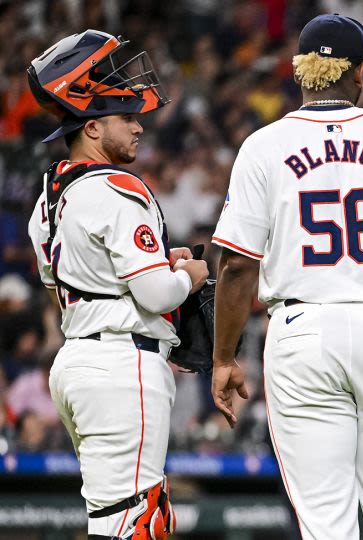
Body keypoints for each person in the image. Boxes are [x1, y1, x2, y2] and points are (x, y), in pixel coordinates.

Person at [209, 14, 363, 540]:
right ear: (359, 72)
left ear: (301, 70)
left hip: (302, 331)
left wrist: (224, 356)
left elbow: (236, 264)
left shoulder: (263, 145)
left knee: (327, 521)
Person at [25, 29, 208, 539]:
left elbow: (57, 281)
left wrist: (153, 269)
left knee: (112, 521)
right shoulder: (116, 186)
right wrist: (187, 276)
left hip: (76, 363)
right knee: (139, 523)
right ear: (91, 126)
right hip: (121, 366)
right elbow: (157, 295)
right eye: (127, 118)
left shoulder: (48, 197)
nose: (138, 128)